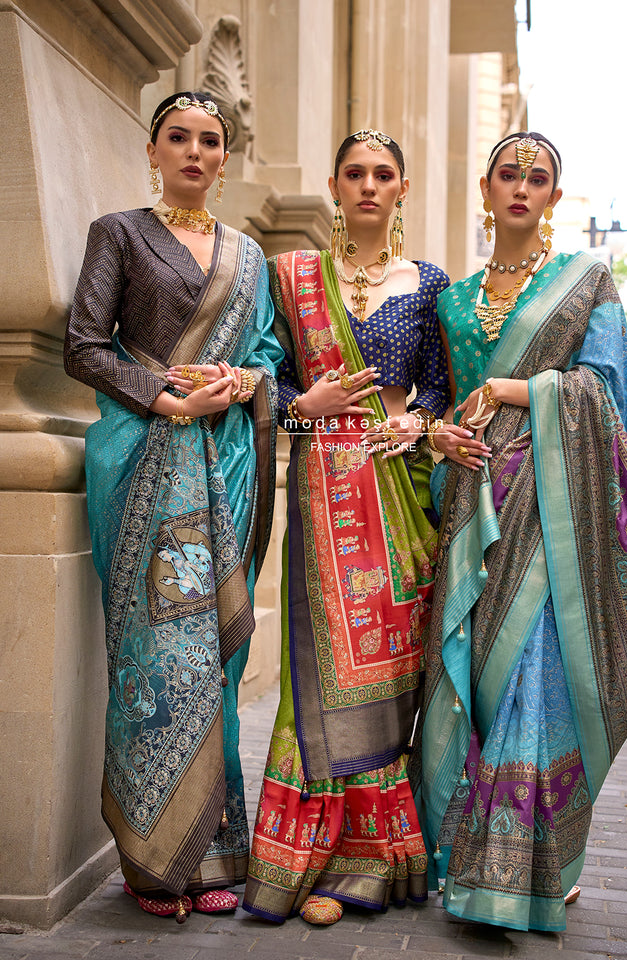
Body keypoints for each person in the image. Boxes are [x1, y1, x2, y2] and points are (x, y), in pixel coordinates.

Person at [411, 132, 627, 932]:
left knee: (532, 669)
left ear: (554, 195)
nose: (521, 186)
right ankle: (462, 847)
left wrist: (516, 387)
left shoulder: (587, 281)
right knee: (472, 667)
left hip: (553, 507)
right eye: (509, 174)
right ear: (485, 186)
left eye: (538, 177)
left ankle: (524, 866)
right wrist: (440, 434)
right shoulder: (450, 300)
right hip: (470, 500)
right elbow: (445, 403)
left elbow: (608, 397)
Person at [64, 91, 282, 922]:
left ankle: (214, 851)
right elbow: (83, 345)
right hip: (144, 460)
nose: (195, 151)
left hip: (222, 462)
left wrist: (239, 381)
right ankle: (152, 864)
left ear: (227, 158)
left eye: (211, 140)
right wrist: (164, 397)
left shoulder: (250, 256)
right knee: (154, 663)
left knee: (213, 667)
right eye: (179, 137)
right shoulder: (118, 233)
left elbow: (264, 352)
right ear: (153, 149)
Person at [241, 129, 459, 926]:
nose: (369, 185)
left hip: (401, 494)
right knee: (318, 665)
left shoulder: (430, 282)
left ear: (402, 188)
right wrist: (305, 409)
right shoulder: (293, 277)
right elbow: (269, 378)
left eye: (384, 174)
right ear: (335, 186)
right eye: (356, 173)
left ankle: (371, 856)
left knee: (388, 666)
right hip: (322, 485)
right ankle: (307, 855)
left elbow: (440, 386)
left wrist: (417, 426)